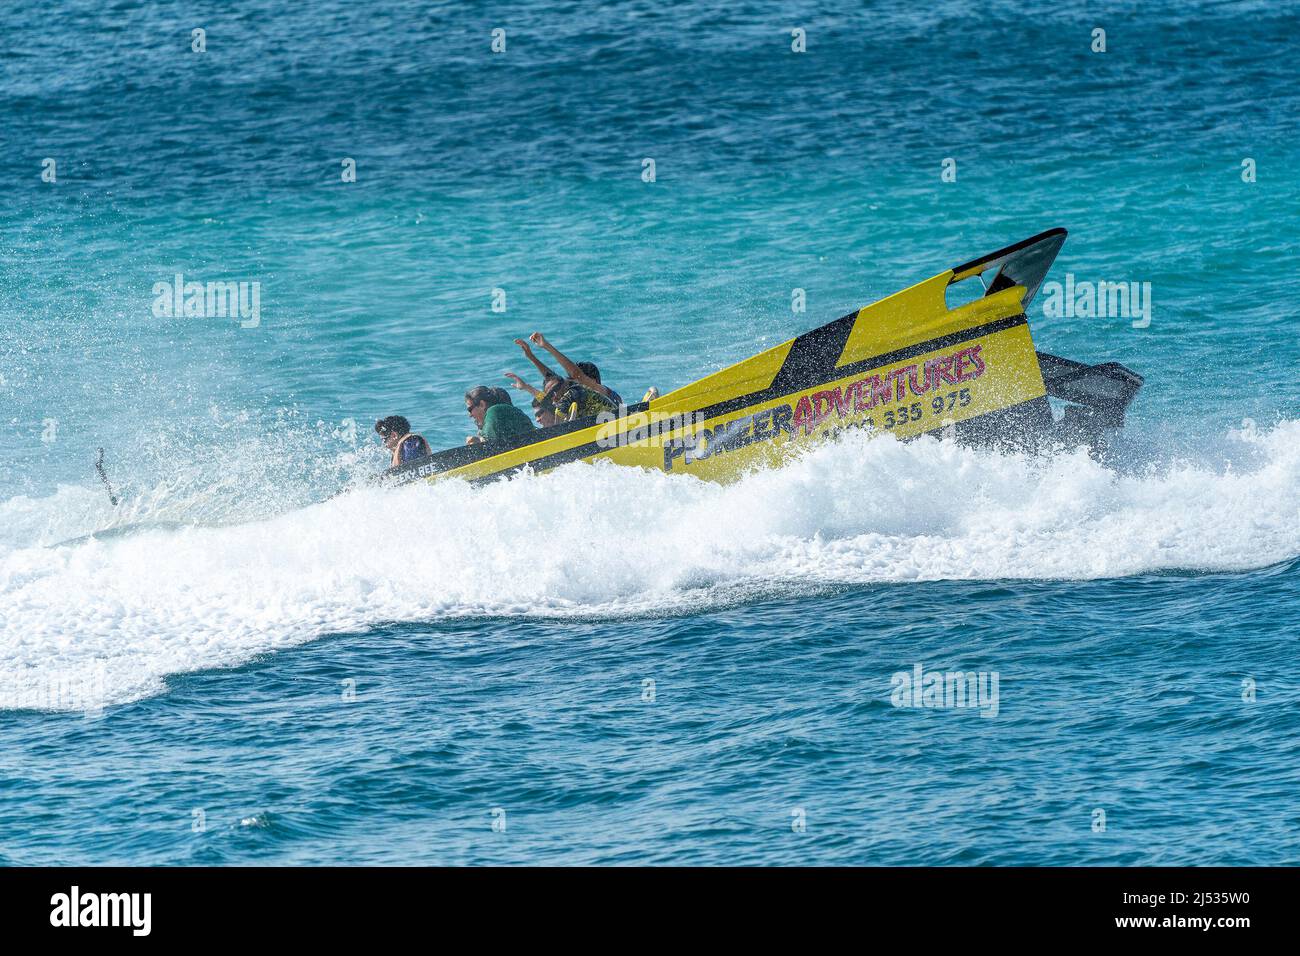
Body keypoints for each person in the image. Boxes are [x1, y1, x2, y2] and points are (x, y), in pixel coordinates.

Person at [465, 385, 536, 446]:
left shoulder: (494, 411)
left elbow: (491, 447)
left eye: (470, 409)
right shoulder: (506, 414)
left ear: (482, 404)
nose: (470, 415)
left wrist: (478, 442)